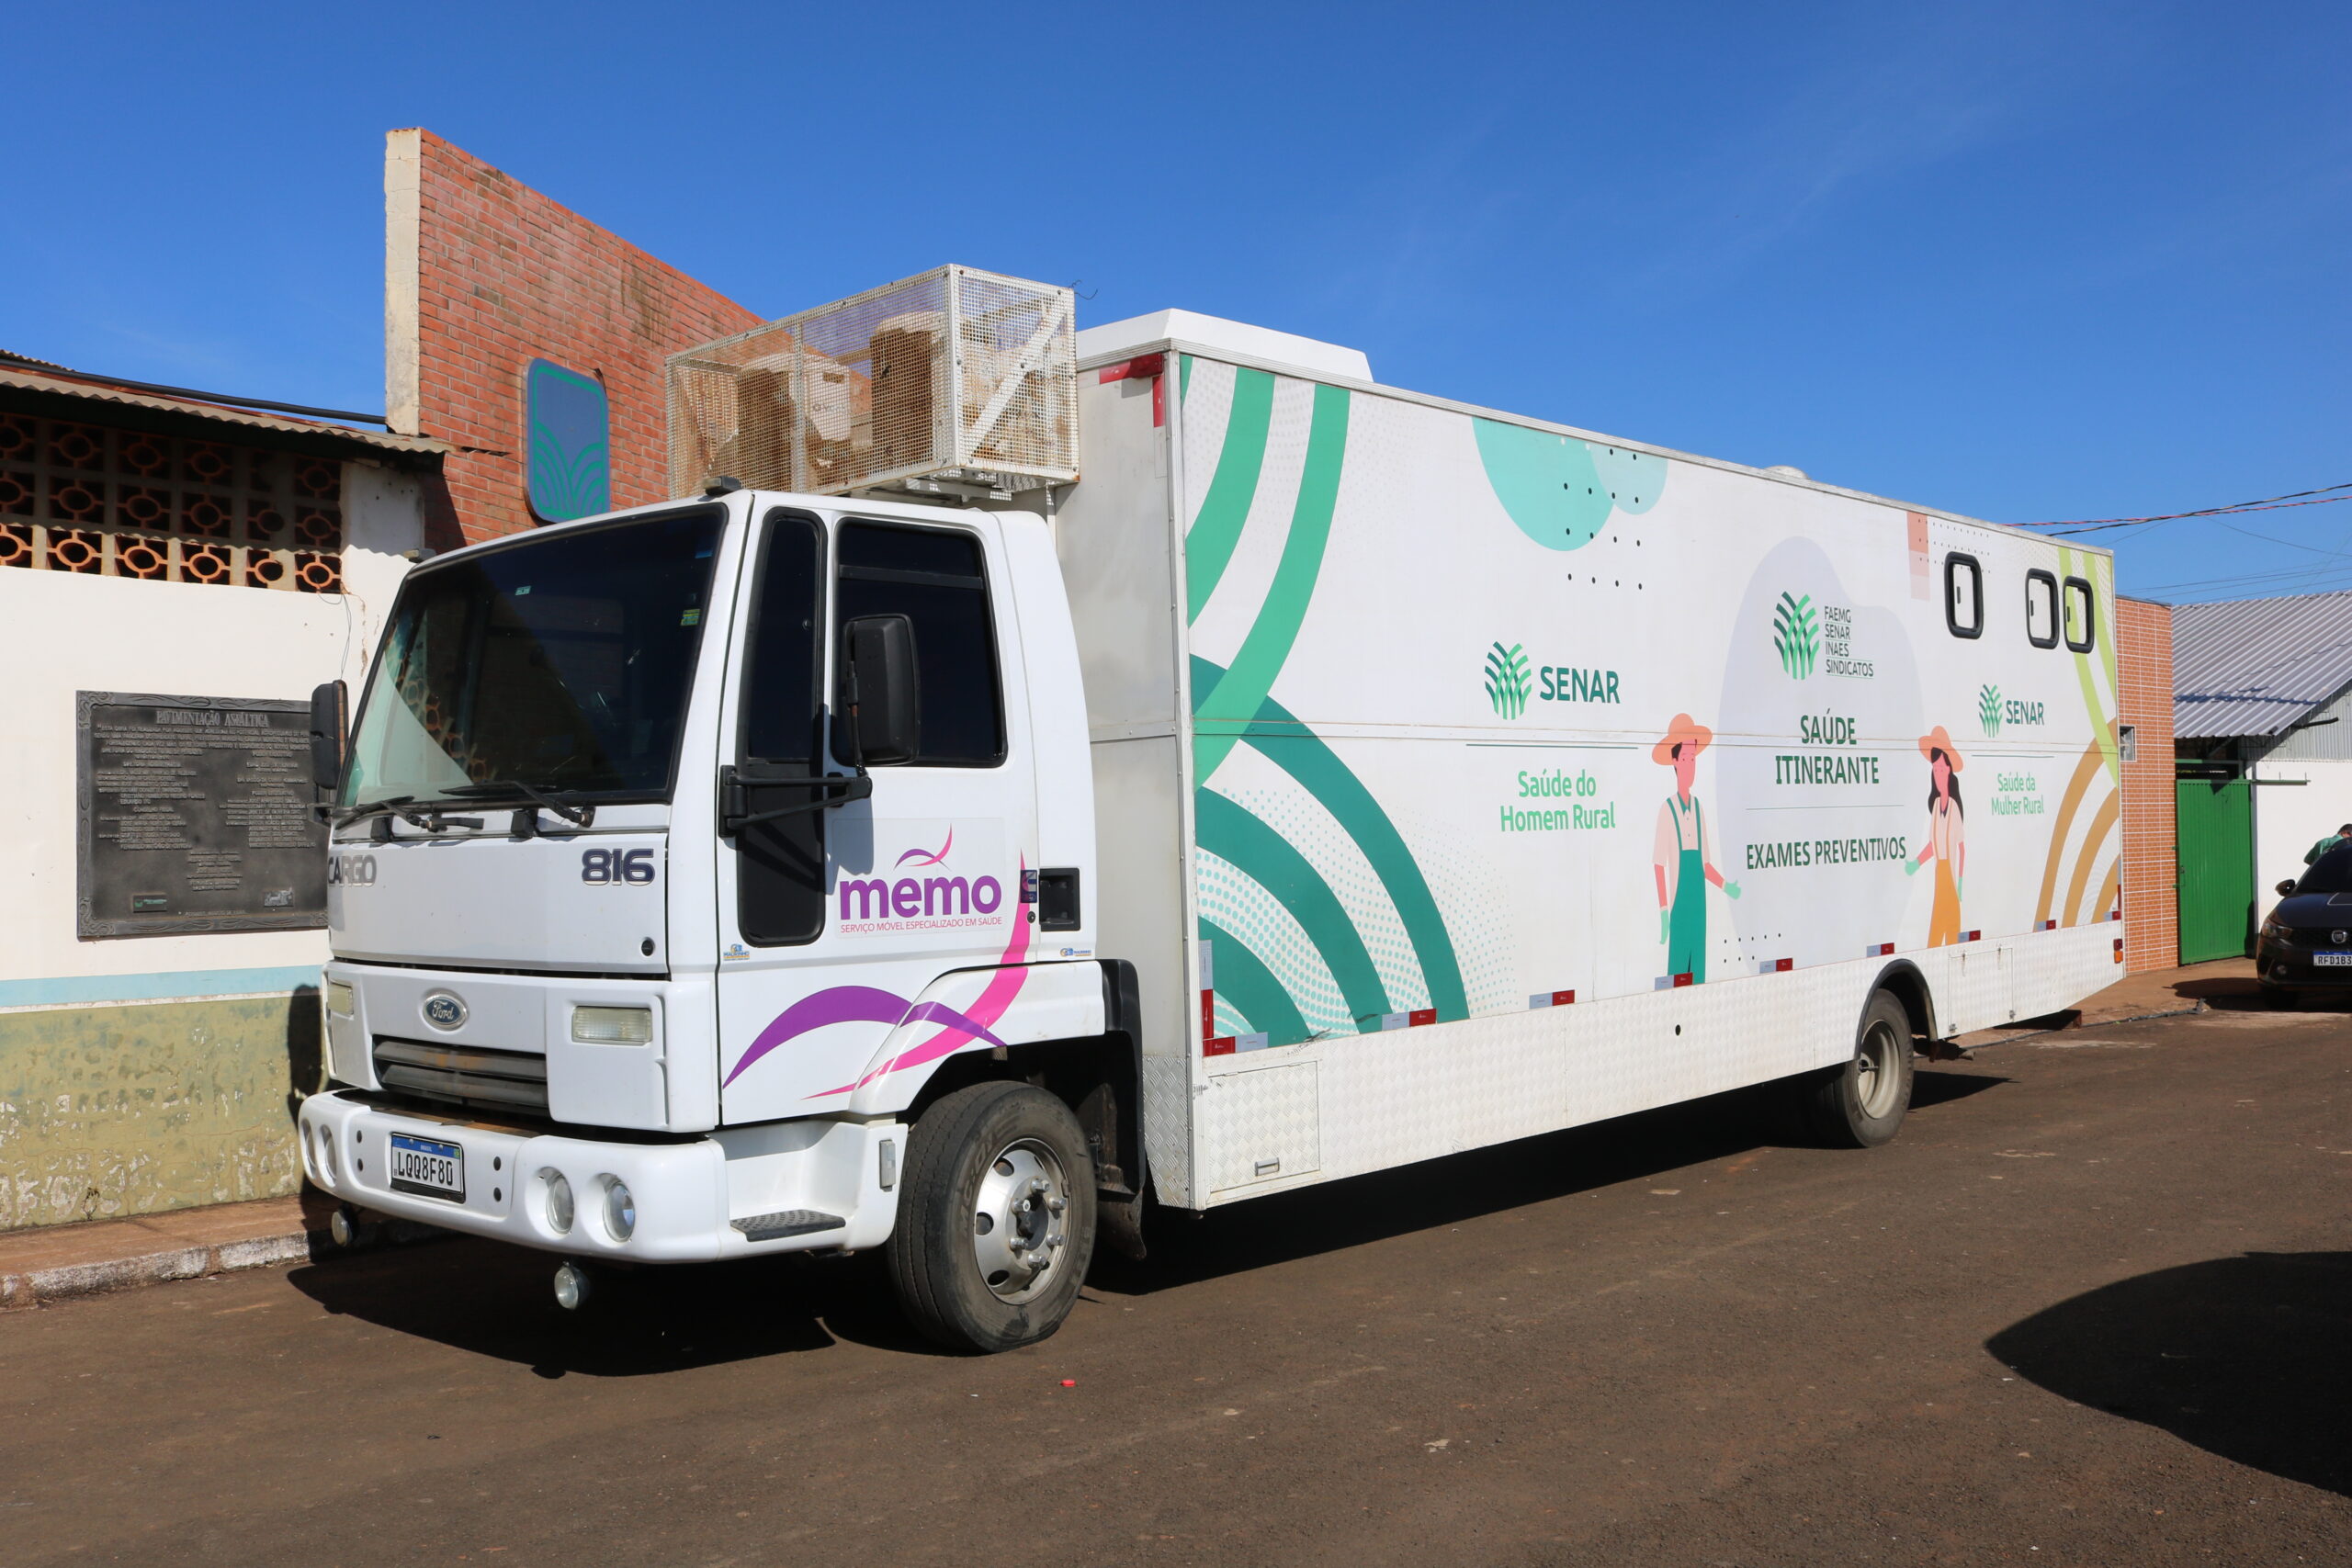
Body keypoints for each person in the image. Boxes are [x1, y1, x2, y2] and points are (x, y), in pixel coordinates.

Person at [1651, 714, 1739, 983]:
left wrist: (1727, 886)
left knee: (1697, 975)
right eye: (1686, 759)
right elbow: (1659, 864)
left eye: (1694, 759)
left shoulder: (1699, 809)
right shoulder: (1668, 810)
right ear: (1675, 762)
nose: (1691, 766)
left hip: (1698, 908)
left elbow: (1705, 865)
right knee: (1677, 975)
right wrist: (1665, 911)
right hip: (1679, 908)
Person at [1905, 727, 1967, 946]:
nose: (1938, 774)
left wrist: (1959, 882)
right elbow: (1933, 845)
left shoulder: (1953, 807)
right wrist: (1916, 863)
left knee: (1950, 932)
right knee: (1935, 935)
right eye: (1935, 769)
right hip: (1940, 875)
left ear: (1949, 770)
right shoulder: (1935, 808)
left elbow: (1960, 847)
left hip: (1949, 876)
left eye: (1941, 768)